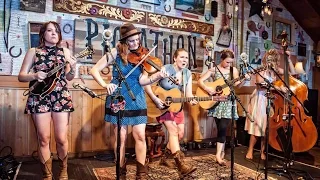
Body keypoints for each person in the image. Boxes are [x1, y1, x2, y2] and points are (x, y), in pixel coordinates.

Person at [90, 23, 167, 180]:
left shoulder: (143, 54)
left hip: (136, 97)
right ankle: (121, 172)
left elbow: (143, 80)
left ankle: (141, 173)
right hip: (118, 97)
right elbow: (94, 70)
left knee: (139, 135)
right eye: (131, 41)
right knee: (121, 138)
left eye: (137, 40)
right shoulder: (116, 52)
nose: (136, 44)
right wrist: (105, 85)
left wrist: (157, 76)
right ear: (124, 41)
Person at [18, 21, 76, 179]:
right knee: (44, 138)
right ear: (43, 34)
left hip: (60, 96)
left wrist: (74, 67)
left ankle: (64, 170)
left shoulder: (65, 51)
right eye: (49, 30)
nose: (54, 33)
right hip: (39, 97)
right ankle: (47, 175)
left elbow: (69, 77)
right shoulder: (33, 51)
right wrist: (34, 75)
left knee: (61, 138)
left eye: (56, 31)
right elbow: (21, 76)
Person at [145, 48, 199, 177]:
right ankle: (181, 166)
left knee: (180, 134)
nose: (184, 60)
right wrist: (156, 98)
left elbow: (188, 94)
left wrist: (191, 100)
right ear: (175, 58)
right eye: (181, 57)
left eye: (186, 58)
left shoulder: (187, 74)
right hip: (162, 106)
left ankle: (164, 159)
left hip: (177, 106)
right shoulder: (166, 68)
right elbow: (149, 84)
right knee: (173, 131)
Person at [197, 49, 250, 165]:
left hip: (228, 102)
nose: (229, 64)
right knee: (219, 127)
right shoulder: (214, 69)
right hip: (216, 102)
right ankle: (220, 152)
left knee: (223, 127)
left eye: (231, 62)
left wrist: (244, 79)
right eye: (227, 62)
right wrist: (208, 89)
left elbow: (237, 85)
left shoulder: (233, 70)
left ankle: (218, 155)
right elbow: (200, 81)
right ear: (221, 59)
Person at [245, 49, 296, 160]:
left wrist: (288, 59)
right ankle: (250, 150)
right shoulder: (261, 70)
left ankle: (262, 151)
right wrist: (279, 88)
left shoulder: (276, 70)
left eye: (274, 61)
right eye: (270, 60)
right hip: (259, 98)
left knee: (266, 127)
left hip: (269, 99)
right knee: (257, 126)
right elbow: (260, 85)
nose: (272, 63)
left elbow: (292, 72)